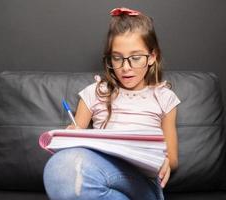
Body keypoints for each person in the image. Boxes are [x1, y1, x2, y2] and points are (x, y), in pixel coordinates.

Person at [43, 7, 180, 200]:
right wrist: (72, 134)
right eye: (117, 58)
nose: (125, 67)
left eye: (135, 58)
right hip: (99, 173)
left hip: (143, 182)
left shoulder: (164, 97)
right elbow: (75, 145)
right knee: (59, 168)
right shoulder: (94, 93)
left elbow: (173, 158)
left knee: (64, 169)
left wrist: (166, 161)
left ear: (152, 57)